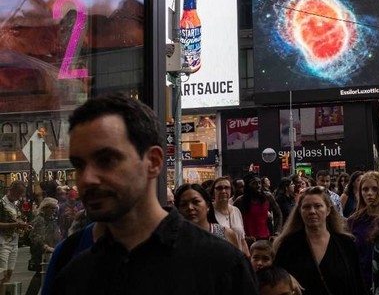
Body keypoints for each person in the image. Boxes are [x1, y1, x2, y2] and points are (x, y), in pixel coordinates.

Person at [51, 93, 257, 294]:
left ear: (154, 162)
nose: (87, 178)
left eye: (106, 160)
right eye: (79, 165)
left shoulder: (222, 265)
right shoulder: (73, 273)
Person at [274, 186, 365, 295]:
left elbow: (358, 284)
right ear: (300, 211)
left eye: (318, 206)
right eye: (306, 207)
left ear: (328, 210)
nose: (312, 211)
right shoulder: (288, 245)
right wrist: (286, 277)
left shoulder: (345, 244)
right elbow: (274, 279)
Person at [348, 171, 379, 293]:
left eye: (375, 189)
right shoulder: (353, 221)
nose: (369, 193)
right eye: (365, 189)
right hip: (361, 283)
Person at [175, 183, 241, 250]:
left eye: (195, 202)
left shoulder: (226, 234)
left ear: (208, 205)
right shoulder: (174, 238)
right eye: (184, 204)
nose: (190, 207)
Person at [25, 197, 62, 295]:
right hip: (41, 253)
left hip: (49, 251)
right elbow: (36, 238)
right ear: (45, 208)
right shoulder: (39, 220)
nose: (53, 211)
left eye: (55, 209)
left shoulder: (50, 219)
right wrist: (47, 248)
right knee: (39, 276)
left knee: (45, 276)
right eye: (51, 208)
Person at [0, 181, 31, 292]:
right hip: (2, 243)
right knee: (2, 274)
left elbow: (17, 219)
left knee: (9, 273)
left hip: (14, 242)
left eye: (21, 194)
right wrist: (15, 224)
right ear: (11, 190)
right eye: (18, 193)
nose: (19, 196)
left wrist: (23, 225)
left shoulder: (16, 204)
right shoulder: (1, 203)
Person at [235, 173, 283, 242]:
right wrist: (243, 236)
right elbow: (232, 217)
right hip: (248, 240)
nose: (258, 186)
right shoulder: (240, 200)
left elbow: (279, 214)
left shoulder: (268, 196)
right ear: (248, 186)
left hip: (266, 239)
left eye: (259, 183)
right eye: (254, 183)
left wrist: (277, 233)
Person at [210, 176, 250, 257]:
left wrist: (248, 261)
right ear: (213, 192)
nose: (223, 191)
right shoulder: (208, 212)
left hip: (238, 260)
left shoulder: (236, 211)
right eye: (219, 188)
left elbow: (242, 240)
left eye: (227, 188)